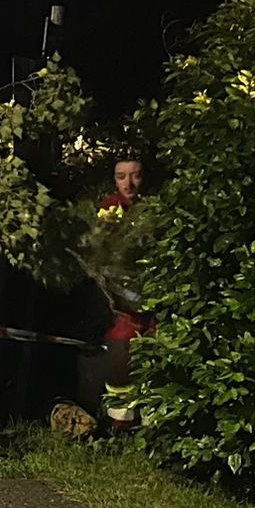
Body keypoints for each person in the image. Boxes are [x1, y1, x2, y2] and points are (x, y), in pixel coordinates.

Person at [96, 154, 154, 428]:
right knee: (122, 356)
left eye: (135, 175)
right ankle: (121, 425)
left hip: (154, 304)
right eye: (121, 177)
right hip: (124, 307)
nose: (129, 184)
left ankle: (154, 426)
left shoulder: (155, 211)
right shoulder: (109, 212)